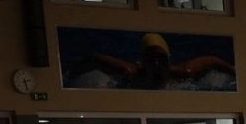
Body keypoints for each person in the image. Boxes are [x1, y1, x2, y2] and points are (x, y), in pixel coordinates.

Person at [72, 32, 236, 91]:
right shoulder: (131, 73)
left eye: (161, 59)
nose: (157, 65)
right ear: (143, 62)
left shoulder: (184, 73)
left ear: (169, 59)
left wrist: (237, 73)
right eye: (151, 60)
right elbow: (95, 59)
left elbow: (213, 60)